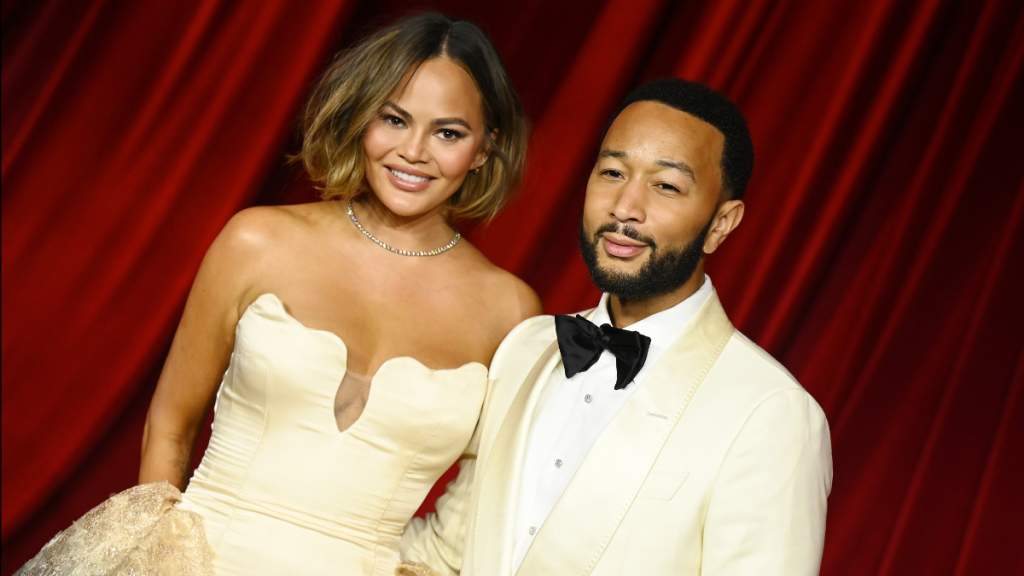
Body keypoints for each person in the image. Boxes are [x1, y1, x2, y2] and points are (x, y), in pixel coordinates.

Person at [17, 13, 540, 576]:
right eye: (394, 118)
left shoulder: (508, 311)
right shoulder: (258, 241)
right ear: (363, 117)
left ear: (485, 149)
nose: (414, 151)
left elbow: (487, 493)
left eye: (447, 132)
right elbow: (170, 425)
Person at [401, 78, 833, 575]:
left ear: (721, 224)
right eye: (611, 172)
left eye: (666, 185)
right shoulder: (528, 347)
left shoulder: (772, 413)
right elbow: (447, 552)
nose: (624, 208)